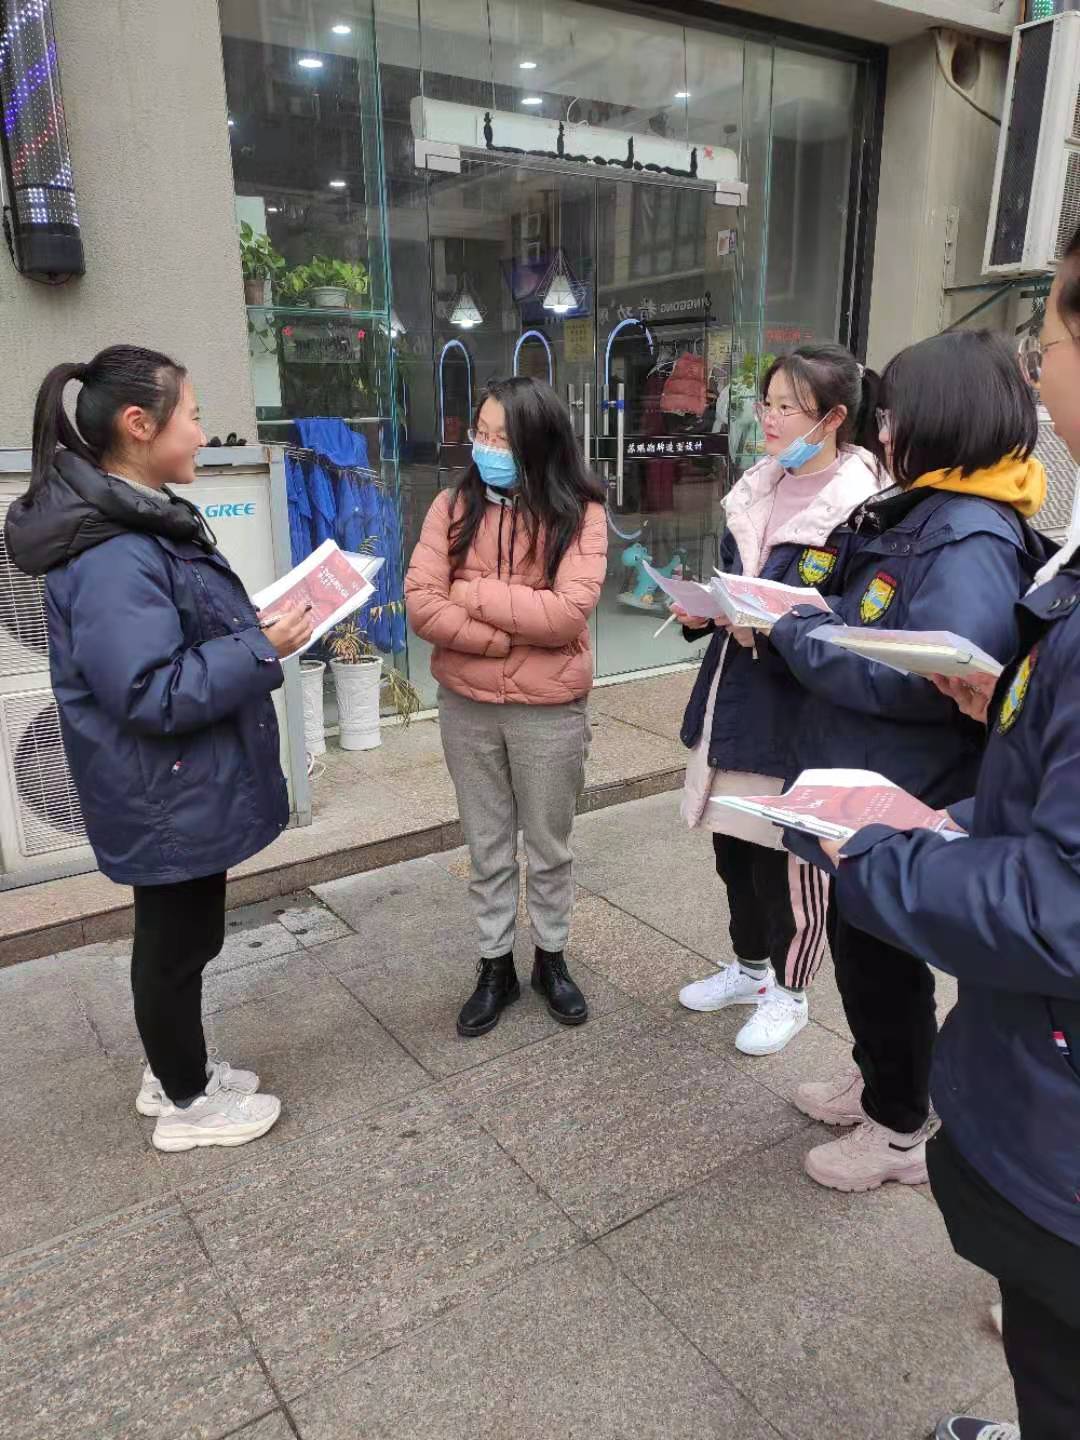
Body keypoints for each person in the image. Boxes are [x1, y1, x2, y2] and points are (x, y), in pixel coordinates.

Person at [808, 227, 1080, 1440]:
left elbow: (1059, 898)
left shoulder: (965, 529)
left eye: (1050, 336)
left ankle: (895, 1112)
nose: (1039, 369)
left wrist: (881, 850)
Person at [5, 346, 313, 1152]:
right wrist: (262, 649)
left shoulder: (137, 518)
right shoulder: (113, 550)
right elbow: (148, 690)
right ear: (139, 425)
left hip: (174, 782)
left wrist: (251, 631)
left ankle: (176, 1068)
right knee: (175, 948)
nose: (204, 434)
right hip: (161, 789)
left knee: (187, 937)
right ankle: (187, 1105)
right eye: (194, 416)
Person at [768, 329, 1048, 1192]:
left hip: (903, 789)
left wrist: (801, 634)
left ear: (943, 416)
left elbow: (930, 672)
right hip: (869, 775)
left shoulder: (970, 532)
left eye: (894, 415)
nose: (885, 431)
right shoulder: (928, 507)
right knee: (865, 954)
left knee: (881, 959)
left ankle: (898, 1126)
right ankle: (883, 1078)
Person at [674, 344, 885, 1055]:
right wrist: (703, 611)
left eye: (787, 407)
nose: (768, 417)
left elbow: (860, 620)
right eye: (766, 403)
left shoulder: (864, 512)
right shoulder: (755, 487)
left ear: (833, 418)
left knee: (789, 866)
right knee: (734, 853)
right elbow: (732, 580)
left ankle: (790, 995)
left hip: (801, 716)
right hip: (734, 699)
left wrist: (778, 625)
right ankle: (748, 968)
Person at [405, 376, 607, 1037]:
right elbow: (421, 603)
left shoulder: (580, 513)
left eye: (503, 438)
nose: (487, 448)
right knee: (487, 846)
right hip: (467, 707)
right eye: (481, 434)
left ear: (539, 444)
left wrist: (473, 595)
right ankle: (495, 965)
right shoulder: (451, 507)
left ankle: (551, 957)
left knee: (549, 846)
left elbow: (567, 613)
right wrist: (499, 638)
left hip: (548, 710)